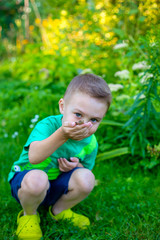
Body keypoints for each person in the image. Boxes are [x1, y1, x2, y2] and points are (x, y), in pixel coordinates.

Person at [8, 73, 112, 239]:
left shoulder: (90, 142)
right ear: (62, 107)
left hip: (56, 185)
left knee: (87, 178)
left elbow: (84, 170)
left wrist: (75, 166)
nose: (84, 124)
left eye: (94, 120)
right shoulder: (48, 125)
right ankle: (29, 215)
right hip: (27, 182)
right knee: (37, 179)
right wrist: (63, 134)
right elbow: (34, 157)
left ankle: (59, 210)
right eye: (78, 114)